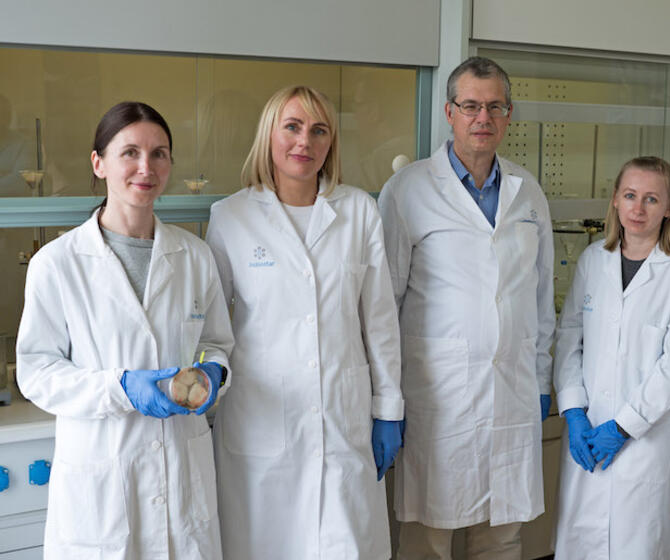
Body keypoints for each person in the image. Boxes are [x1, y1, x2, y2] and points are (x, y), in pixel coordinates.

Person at [16, 101, 233, 559]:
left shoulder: (195, 256)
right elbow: (37, 371)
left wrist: (214, 373)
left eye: (159, 154)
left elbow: (215, 343)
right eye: (130, 152)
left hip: (182, 477)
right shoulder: (57, 264)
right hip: (101, 489)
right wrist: (122, 388)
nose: (145, 167)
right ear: (99, 163)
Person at [207, 85, 403, 560]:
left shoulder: (358, 211)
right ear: (268, 136)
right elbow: (212, 328)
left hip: (342, 418)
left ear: (331, 142)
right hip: (261, 420)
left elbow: (379, 320)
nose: (305, 142)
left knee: (345, 544)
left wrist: (388, 410)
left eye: (319, 131)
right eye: (292, 127)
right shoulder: (231, 216)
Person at [379, 56, 556, 559]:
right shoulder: (408, 190)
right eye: (471, 106)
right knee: (428, 540)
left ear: (509, 114)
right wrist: (387, 399)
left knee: (503, 538)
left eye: (495, 107)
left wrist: (542, 378)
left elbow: (541, 297)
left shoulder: (527, 191)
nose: (483, 117)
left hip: (512, 392)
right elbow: (384, 304)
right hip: (437, 397)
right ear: (449, 112)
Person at [552, 156, 670, 559]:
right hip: (589, 430)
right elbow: (569, 337)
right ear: (615, 200)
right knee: (582, 545)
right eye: (630, 195)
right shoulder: (592, 261)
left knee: (638, 546)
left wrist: (623, 427)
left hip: (645, 440)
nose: (638, 208)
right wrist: (573, 410)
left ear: (668, 208)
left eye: (652, 199)